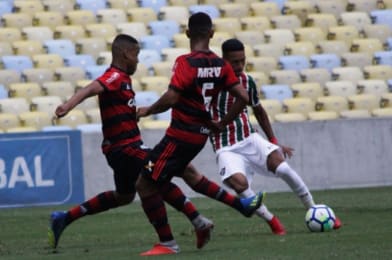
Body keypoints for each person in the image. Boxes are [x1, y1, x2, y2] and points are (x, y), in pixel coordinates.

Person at [48, 34, 216, 251]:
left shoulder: (123, 79)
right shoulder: (115, 76)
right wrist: (68, 105)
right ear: (126, 54)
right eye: (136, 55)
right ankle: (192, 225)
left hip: (121, 148)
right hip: (125, 148)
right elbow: (91, 88)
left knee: (124, 196)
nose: (138, 60)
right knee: (156, 176)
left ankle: (64, 218)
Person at [135, 12, 265, 256]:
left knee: (145, 183)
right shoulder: (221, 65)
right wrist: (222, 123)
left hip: (180, 134)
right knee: (189, 174)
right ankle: (221, 213)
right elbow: (245, 98)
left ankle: (167, 243)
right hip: (200, 135)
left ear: (187, 33)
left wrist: (148, 110)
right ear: (212, 34)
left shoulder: (186, 62)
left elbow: (172, 97)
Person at [208, 38, 341, 234]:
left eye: (242, 61)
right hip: (225, 146)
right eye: (234, 62)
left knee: (284, 168)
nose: (239, 66)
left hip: (249, 139)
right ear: (223, 60)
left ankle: (313, 208)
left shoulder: (247, 81)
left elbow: (259, 111)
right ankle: (272, 221)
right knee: (239, 183)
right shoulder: (211, 84)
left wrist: (274, 142)